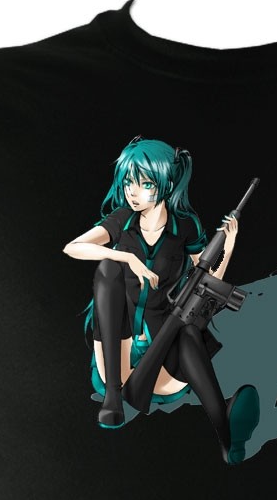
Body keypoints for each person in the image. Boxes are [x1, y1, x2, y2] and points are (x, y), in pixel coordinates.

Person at [62, 135, 260, 463]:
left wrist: (229, 243)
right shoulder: (122, 219)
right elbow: (74, 247)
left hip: (163, 350)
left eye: (145, 184)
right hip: (116, 348)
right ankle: (112, 400)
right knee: (108, 270)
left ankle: (226, 434)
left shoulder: (186, 226)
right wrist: (126, 258)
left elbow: (206, 279)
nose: (133, 191)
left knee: (188, 332)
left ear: (166, 184)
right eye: (129, 182)